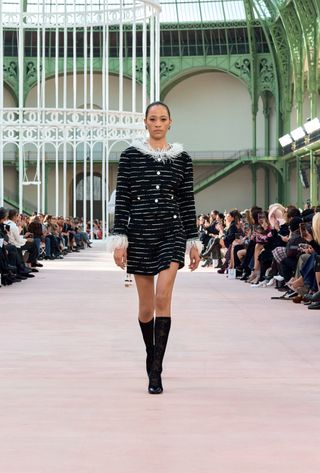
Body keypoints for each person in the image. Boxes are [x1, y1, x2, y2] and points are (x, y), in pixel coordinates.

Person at [109, 101, 201, 394]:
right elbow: (122, 198)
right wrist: (119, 240)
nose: (158, 123)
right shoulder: (130, 157)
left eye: (163, 119)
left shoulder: (182, 158)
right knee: (146, 308)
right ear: (145, 122)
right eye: (153, 119)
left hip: (171, 232)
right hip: (140, 233)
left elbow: (187, 200)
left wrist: (192, 240)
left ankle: (156, 371)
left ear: (170, 122)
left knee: (163, 297)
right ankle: (152, 353)